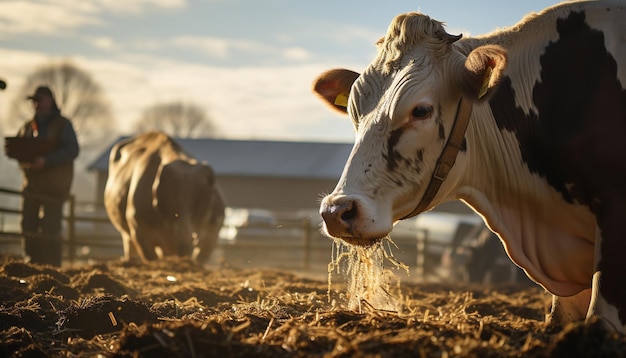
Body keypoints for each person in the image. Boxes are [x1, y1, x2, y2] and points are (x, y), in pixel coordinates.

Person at [6, 86, 79, 266]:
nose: (36, 104)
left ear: (50, 101)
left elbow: (72, 149)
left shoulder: (63, 125)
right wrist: (15, 152)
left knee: (50, 229)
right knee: (28, 225)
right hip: (31, 184)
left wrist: (46, 161)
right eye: (34, 101)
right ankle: (32, 264)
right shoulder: (28, 126)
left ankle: (52, 267)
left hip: (54, 187)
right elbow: (18, 146)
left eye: (40, 100)